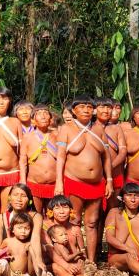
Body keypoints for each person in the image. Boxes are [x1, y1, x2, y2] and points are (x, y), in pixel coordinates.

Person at [54, 97, 113, 262]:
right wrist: (59, 182)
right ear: (74, 111)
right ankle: (78, 258)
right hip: (74, 181)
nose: (86, 110)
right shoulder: (66, 129)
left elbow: (106, 158)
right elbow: (60, 157)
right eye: (81, 107)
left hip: (97, 183)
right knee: (75, 220)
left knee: (92, 222)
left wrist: (109, 180)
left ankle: (91, 260)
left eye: (89, 107)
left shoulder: (99, 129)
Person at [103, 183, 139, 276]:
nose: (133, 199)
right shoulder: (114, 213)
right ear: (122, 198)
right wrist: (127, 249)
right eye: (129, 195)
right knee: (128, 257)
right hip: (119, 258)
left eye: (136, 196)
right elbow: (109, 238)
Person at [20, 104, 60, 211]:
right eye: (39, 114)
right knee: (35, 214)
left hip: (54, 184)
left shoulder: (58, 135)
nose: (43, 116)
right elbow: (23, 161)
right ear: (33, 120)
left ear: (50, 119)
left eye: (46, 113)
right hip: (34, 184)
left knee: (52, 217)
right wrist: (23, 181)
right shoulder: (27, 137)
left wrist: (60, 182)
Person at [45, 196, 92, 276]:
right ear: (51, 211)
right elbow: (51, 253)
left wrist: (82, 260)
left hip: (72, 263)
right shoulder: (46, 226)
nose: (62, 212)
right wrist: (66, 266)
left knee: (81, 264)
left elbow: (82, 250)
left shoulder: (75, 229)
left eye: (65, 207)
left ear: (71, 210)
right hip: (54, 264)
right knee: (55, 266)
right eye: (57, 208)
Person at [2, 183, 47, 276]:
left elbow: (35, 239)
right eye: (15, 195)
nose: (19, 199)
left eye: (23, 196)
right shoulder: (2, 217)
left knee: (31, 247)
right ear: (9, 198)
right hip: (11, 259)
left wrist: (38, 259)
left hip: (30, 259)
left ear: (30, 200)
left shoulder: (36, 216)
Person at [95, 99, 127, 209]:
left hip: (115, 173)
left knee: (113, 209)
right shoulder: (89, 128)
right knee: (96, 214)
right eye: (102, 107)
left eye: (109, 108)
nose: (106, 110)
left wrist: (110, 167)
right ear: (95, 110)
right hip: (96, 176)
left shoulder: (116, 128)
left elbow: (123, 152)